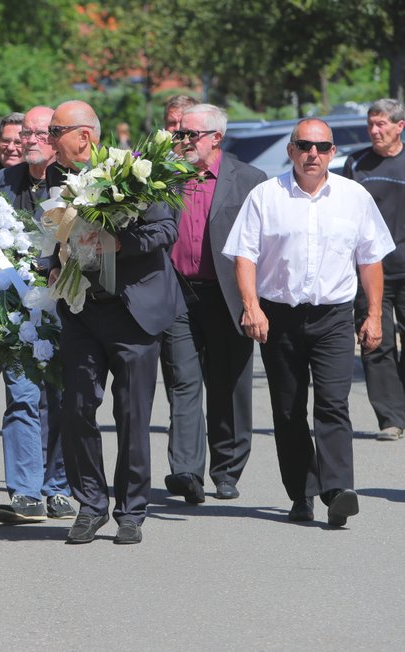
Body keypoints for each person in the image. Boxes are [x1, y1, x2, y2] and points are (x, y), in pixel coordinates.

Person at [223, 118, 394, 528]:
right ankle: (302, 493)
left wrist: (373, 314)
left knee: (334, 404)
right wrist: (252, 306)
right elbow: (244, 256)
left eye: (321, 147)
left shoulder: (354, 197)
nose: (312, 154)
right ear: (291, 151)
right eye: (304, 146)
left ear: (333, 152)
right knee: (288, 409)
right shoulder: (266, 195)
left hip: (333, 316)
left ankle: (337, 490)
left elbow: (370, 259)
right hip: (279, 315)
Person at [49, 100, 186, 545]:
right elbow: (54, 239)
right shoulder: (56, 180)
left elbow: (163, 231)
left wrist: (113, 244)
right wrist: (51, 263)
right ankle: (91, 505)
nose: (48, 140)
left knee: (131, 414)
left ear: (84, 135)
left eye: (55, 131)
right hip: (82, 310)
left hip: (132, 310)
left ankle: (132, 510)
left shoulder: (130, 171)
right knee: (77, 408)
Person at [161, 104, 267, 505]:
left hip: (228, 296)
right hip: (177, 296)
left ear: (216, 138)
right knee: (183, 383)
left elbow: (263, 247)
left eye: (190, 135)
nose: (182, 142)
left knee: (228, 385)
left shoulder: (249, 180)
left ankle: (226, 469)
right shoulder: (164, 178)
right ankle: (186, 471)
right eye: (178, 134)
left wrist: (254, 301)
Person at [0, 105, 76, 520]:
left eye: (42, 133)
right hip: (15, 309)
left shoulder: (78, 184)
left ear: (57, 138)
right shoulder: (0, 183)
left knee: (59, 397)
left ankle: (57, 486)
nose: (32, 140)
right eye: (27, 134)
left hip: (65, 304)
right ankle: (25, 491)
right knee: (22, 397)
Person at [343, 99, 405, 441]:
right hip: (368, 270)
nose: (375, 130)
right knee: (375, 342)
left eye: (381, 124)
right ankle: (391, 418)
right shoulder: (356, 163)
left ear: (400, 126)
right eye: (371, 124)